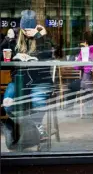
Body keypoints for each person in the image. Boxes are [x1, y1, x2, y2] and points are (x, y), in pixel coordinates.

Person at [3, 10, 54, 140]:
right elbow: (2, 55)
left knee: (38, 100)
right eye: (25, 30)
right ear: (21, 28)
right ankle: (23, 126)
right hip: (19, 81)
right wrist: (7, 39)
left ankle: (38, 127)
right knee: (8, 103)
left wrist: (40, 36)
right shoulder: (14, 39)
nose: (27, 33)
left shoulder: (42, 38)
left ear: (35, 28)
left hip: (41, 81)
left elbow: (48, 55)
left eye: (30, 30)